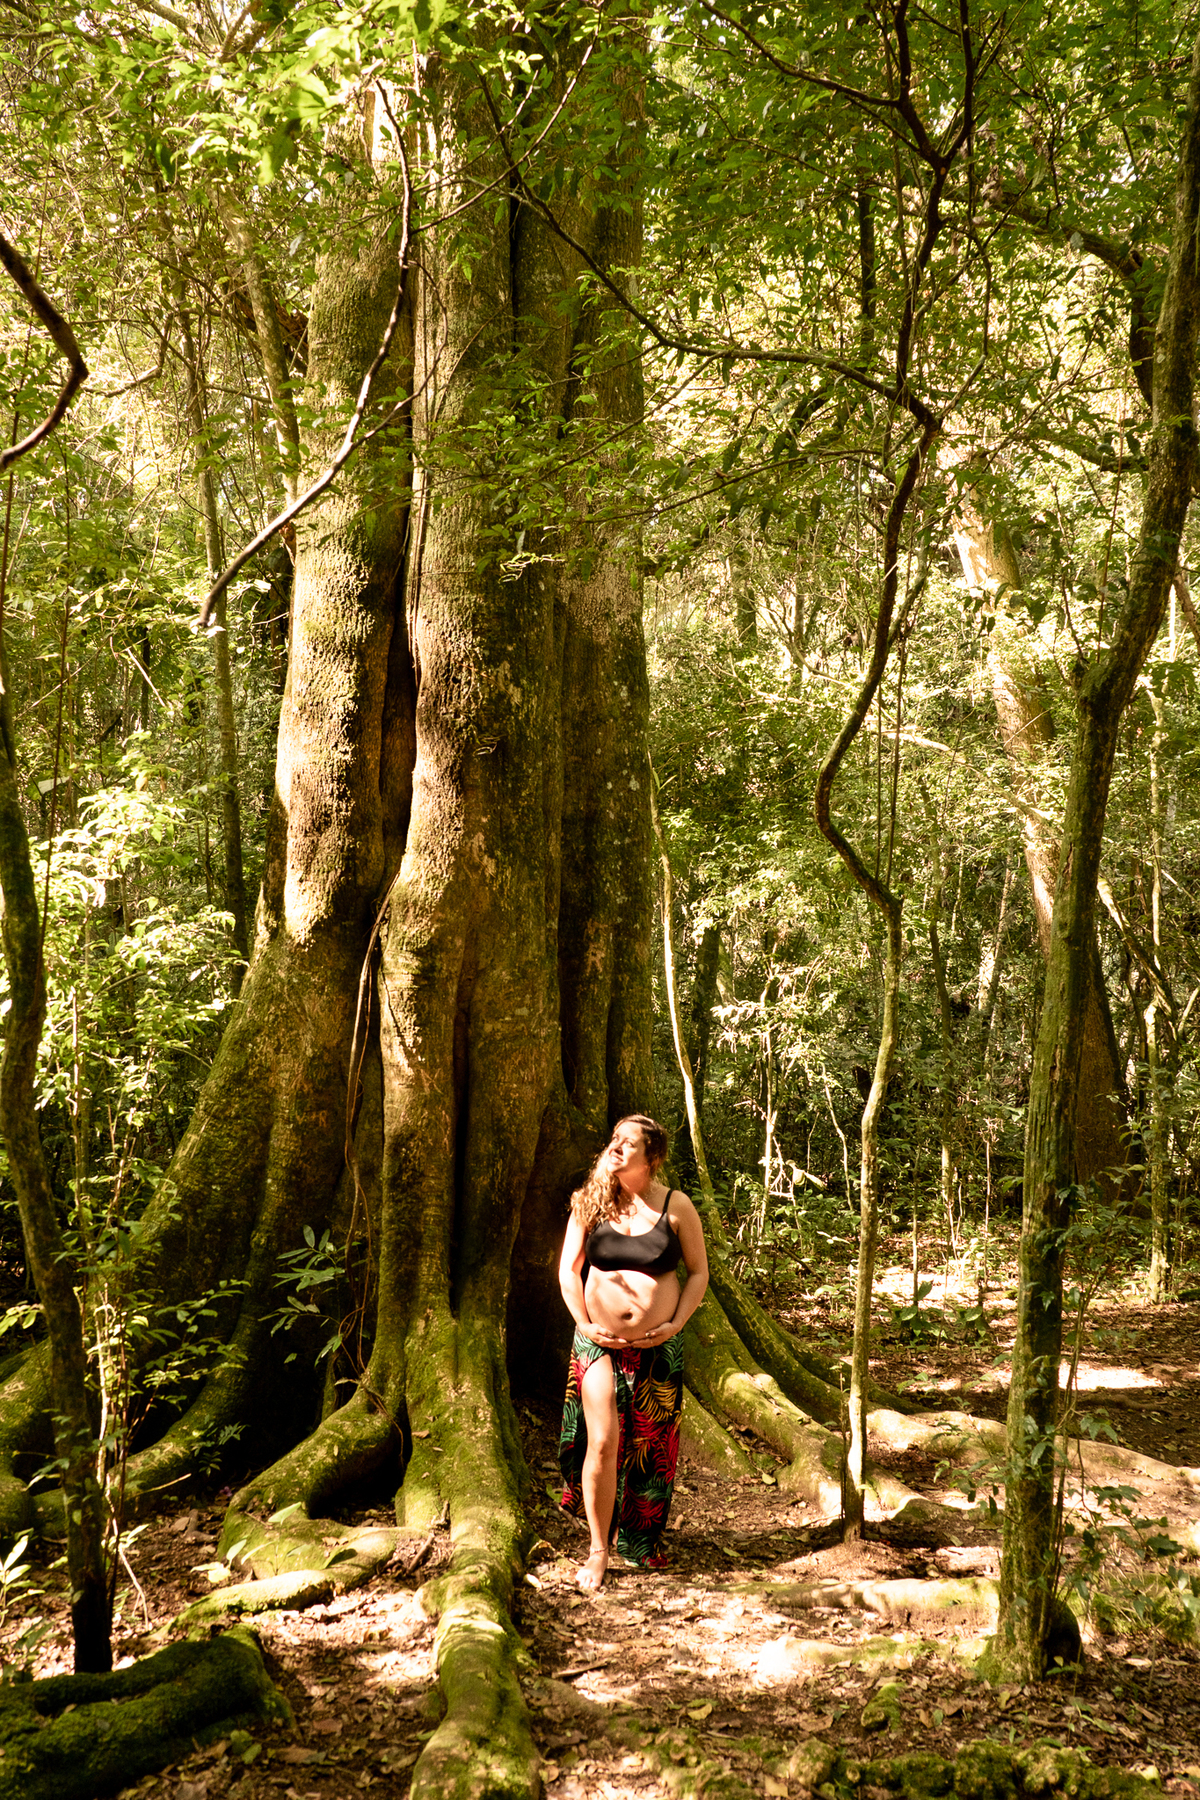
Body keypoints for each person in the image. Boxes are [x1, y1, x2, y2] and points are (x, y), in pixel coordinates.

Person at [557, 1115, 709, 1592]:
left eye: (629, 1143)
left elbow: (698, 1273)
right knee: (603, 1441)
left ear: (653, 1156)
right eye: (614, 1140)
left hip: (658, 1348)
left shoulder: (675, 1205)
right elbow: (569, 1270)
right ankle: (598, 1550)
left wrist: (674, 1323)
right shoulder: (590, 1203)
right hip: (598, 1343)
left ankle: (639, 1541)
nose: (617, 1148)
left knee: (649, 1450)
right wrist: (584, 1322)